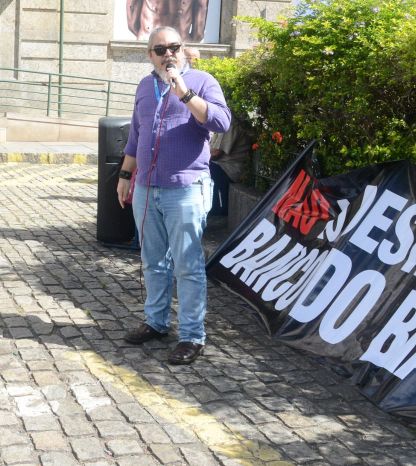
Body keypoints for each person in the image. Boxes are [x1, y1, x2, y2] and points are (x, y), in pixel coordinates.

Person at [116, 26, 231, 365]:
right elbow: (136, 135)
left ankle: (192, 336)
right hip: (146, 188)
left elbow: (222, 122)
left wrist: (184, 92)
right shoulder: (144, 86)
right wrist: (125, 174)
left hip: (186, 189)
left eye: (174, 47)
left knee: (187, 266)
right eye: (160, 49)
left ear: (183, 49)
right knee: (153, 261)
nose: (168, 53)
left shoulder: (202, 81)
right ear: (150, 55)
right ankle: (156, 322)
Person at [209, 117, 255, 216]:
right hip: (224, 166)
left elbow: (216, 153)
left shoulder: (230, 125)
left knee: (204, 168)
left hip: (230, 168)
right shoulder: (225, 123)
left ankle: (217, 209)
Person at [126, 0, 209, 42]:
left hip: (149, 36)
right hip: (180, 38)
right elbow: (201, 6)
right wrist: (193, 39)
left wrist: (141, 31)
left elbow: (132, 6)